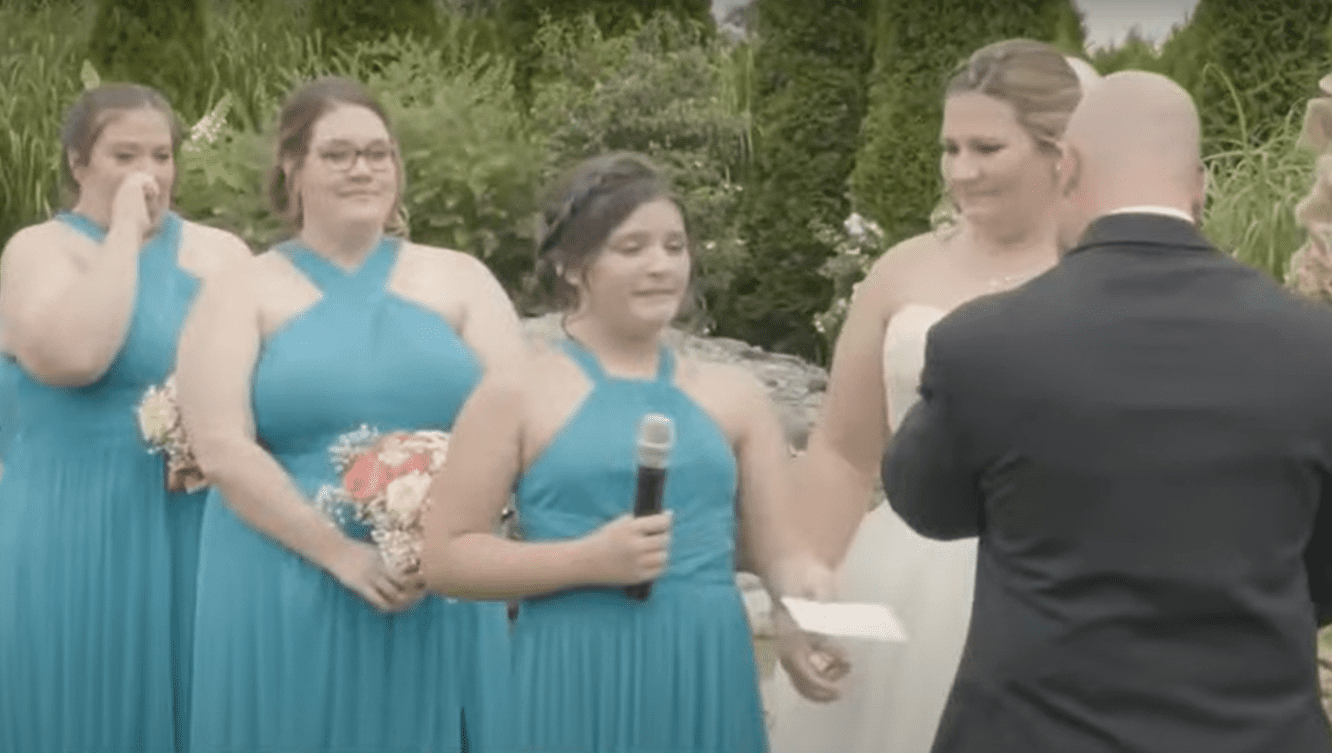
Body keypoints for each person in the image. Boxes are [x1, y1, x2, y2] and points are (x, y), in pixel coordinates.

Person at [882, 70, 1332, 753]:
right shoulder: (1315, 347)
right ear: (1199, 186)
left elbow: (925, 502)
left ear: (1069, 168)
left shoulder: (985, 343)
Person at [420, 152, 820, 753]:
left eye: (674, 246)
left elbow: (782, 552)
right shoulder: (515, 390)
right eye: (631, 248)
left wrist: (800, 614)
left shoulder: (736, 395)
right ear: (574, 266)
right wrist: (585, 560)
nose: (660, 266)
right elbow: (447, 557)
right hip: (570, 668)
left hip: (702, 665)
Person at [176, 76, 524, 753]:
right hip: (282, 572)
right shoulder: (240, 291)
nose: (363, 168)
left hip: (438, 580)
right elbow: (221, 447)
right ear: (292, 167)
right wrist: (341, 554)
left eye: (378, 152)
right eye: (337, 154)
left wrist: (457, 536)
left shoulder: (461, 278)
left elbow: (519, 422)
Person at [767, 40, 1089, 753]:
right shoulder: (902, 271)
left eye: (986, 147)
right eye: (949, 147)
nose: (960, 171)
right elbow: (845, 454)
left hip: (1055, 583)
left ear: (1057, 150)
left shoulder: (1101, 276)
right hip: (900, 576)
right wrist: (804, 593)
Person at [0, 83, 250, 753]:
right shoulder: (37, 251)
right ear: (79, 163)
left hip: (195, 518)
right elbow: (78, 355)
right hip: (76, 520)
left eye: (162, 155)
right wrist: (123, 237)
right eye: (124, 155)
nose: (149, 173)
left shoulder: (221, 253)